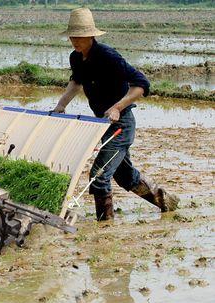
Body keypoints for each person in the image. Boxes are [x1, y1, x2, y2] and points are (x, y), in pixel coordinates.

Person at [55, 8, 179, 220]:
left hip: (121, 125)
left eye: (80, 36)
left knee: (99, 175)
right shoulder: (76, 58)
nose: (75, 40)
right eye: (72, 36)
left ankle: (105, 228)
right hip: (104, 125)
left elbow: (141, 83)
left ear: (91, 36)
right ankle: (166, 200)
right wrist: (61, 105)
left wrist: (117, 107)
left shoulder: (108, 56)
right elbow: (76, 81)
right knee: (125, 176)